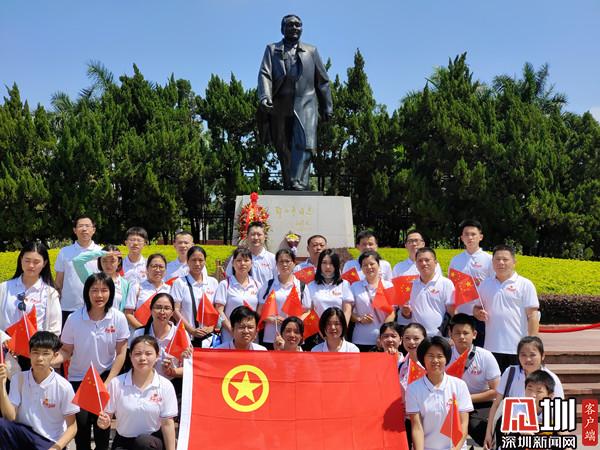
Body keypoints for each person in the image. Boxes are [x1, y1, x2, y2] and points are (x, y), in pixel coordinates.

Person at [54, 272, 130, 450]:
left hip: (105, 378)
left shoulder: (118, 318)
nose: (99, 295)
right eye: (94, 290)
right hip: (79, 379)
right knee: (81, 430)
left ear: (111, 292)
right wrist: (49, 360)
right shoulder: (74, 318)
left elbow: (121, 354)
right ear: (87, 292)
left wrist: (108, 381)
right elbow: (66, 351)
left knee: (102, 430)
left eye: (104, 290)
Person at [257, 14, 333, 191]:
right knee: (282, 146)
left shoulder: (311, 51)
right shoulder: (272, 49)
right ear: (282, 29)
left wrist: (327, 106)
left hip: (306, 103)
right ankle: (289, 182)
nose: (294, 28)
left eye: (298, 25)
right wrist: (265, 96)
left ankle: (299, 182)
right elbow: (265, 74)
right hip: (279, 105)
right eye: (290, 25)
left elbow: (322, 81)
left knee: (305, 142)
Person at [0, 331, 78, 450]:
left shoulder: (64, 387)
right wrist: (1, 385)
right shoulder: (18, 378)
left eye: (45, 353)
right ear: (29, 353)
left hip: (48, 441)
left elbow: (72, 427)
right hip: (24, 435)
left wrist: (56, 448)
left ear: (55, 355)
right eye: (35, 352)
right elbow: (10, 417)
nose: (40, 358)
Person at [97, 335, 177, 450]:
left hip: (151, 442)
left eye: (148, 354)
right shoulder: (116, 383)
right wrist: (103, 423)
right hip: (123, 441)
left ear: (157, 356)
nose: (143, 358)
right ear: (130, 356)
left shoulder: (165, 385)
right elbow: (106, 417)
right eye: (138, 354)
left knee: (143, 442)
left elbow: (167, 424)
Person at [484, 336, 564, 450]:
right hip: (515, 429)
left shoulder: (552, 379)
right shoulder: (510, 372)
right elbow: (496, 405)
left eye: (532, 355)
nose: (528, 359)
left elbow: (559, 415)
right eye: (523, 355)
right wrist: (488, 434)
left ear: (542, 355)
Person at [474, 244, 540, 372]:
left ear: (514, 262)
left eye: (505, 259)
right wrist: (478, 313)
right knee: (495, 383)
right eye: (497, 259)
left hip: (517, 348)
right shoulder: (485, 284)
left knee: (517, 382)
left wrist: (532, 341)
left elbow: (533, 315)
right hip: (491, 347)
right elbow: (476, 308)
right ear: (492, 262)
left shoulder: (525, 284)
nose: (501, 263)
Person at [406, 337, 473, 450]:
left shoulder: (459, 385)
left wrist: (455, 449)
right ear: (423, 359)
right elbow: (417, 427)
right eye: (430, 356)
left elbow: (463, 423)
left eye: (440, 356)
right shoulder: (413, 389)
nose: (435, 360)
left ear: (446, 359)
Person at [448, 313, 501, 448]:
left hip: (479, 403)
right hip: (448, 403)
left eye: (466, 333)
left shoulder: (485, 356)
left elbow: (496, 391)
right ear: (450, 334)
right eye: (457, 333)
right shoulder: (444, 355)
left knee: (478, 427)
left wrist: (466, 399)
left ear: (474, 334)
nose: (461, 337)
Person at [0, 241, 61, 344]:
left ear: (44, 263)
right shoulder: (4, 288)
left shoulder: (50, 293)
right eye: (27, 261)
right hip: (5, 349)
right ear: (21, 260)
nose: (31, 265)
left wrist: (40, 346)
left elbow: (54, 328)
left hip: (36, 350)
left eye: (36, 262)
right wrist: (4, 339)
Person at [448, 219, 494, 347]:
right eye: (466, 234)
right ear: (462, 238)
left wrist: (481, 284)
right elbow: (451, 287)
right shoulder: (455, 260)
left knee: (480, 350)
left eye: (473, 234)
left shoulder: (489, 259)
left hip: (481, 315)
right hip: (461, 314)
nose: (470, 237)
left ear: (481, 237)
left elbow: (494, 285)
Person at [131, 293, 190, 385]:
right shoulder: (139, 333)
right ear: (151, 310)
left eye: (167, 308)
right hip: (144, 384)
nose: (162, 312)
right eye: (158, 307)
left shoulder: (181, 334)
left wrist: (172, 371)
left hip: (173, 385)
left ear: (172, 312)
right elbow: (131, 363)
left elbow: (189, 368)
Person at [257, 249, 309, 349]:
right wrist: (272, 319)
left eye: (287, 261)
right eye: (281, 261)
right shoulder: (268, 285)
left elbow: (307, 311)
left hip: (294, 337)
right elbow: (260, 311)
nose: (284, 264)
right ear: (276, 264)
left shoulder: (301, 286)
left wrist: (293, 322)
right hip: (272, 336)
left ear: (294, 263)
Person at [54, 215, 102, 325]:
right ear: (75, 230)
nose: (84, 229)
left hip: (95, 307)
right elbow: (58, 282)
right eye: (80, 226)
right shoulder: (64, 252)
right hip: (68, 307)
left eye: (87, 226)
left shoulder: (100, 252)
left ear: (93, 230)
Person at [399, 247, 455, 337]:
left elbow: (452, 312)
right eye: (420, 261)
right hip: (417, 337)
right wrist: (406, 313)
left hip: (439, 336)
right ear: (416, 264)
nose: (423, 263)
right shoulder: (410, 285)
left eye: (427, 260)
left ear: (435, 263)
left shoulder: (446, 283)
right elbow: (407, 315)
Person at [171, 246, 219, 348]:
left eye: (200, 260)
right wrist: (191, 330)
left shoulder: (213, 282)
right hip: (186, 337)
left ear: (205, 261)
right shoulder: (179, 282)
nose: (197, 264)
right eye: (193, 260)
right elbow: (175, 310)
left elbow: (218, 309)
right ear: (187, 261)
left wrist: (211, 327)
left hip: (209, 338)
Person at [350, 251, 395, 351]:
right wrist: (359, 319)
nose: (369, 267)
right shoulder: (355, 287)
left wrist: (382, 335)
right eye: (365, 265)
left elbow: (391, 313)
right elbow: (349, 312)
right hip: (361, 339)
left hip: (384, 341)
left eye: (372, 264)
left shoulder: (388, 285)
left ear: (379, 265)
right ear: (361, 268)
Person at [215, 247, 261, 344]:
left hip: (250, 335)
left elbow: (259, 311)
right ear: (233, 263)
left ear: (251, 263)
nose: (242, 263)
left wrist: (254, 330)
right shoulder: (225, 284)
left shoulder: (257, 285)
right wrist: (232, 330)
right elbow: (219, 310)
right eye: (239, 260)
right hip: (229, 335)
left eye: (246, 260)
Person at [304, 249, 353, 332]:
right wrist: (321, 332)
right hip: (317, 331)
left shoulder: (344, 284)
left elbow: (347, 310)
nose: (327, 266)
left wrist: (341, 330)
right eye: (324, 263)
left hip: (338, 331)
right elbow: (310, 311)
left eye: (331, 263)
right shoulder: (311, 285)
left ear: (336, 265)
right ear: (319, 264)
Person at [72, 244, 132, 312]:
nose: (108, 264)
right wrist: (101, 253)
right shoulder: (93, 279)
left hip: (116, 318)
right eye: (104, 260)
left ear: (119, 262)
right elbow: (77, 261)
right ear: (100, 261)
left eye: (112, 261)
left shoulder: (125, 284)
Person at [124, 254, 171, 330]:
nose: (158, 270)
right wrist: (144, 330)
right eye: (154, 266)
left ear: (165, 270)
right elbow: (128, 314)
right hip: (140, 333)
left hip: (163, 333)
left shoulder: (170, 289)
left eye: (161, 267)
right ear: (147, 269)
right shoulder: (137, 287)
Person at [225, 222, 277, 287]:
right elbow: (228, 277)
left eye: (259, 234)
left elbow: (278, 281)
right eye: (252, 234)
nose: (256, 238)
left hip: (266, 293)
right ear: (247, 236)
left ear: (265, 236)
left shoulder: (272, 258)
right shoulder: (238, 257)